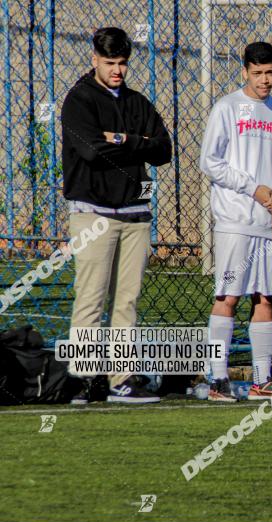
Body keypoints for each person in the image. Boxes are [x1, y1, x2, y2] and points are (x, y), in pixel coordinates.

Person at [61, 27, 171, 404]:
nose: (117, 70)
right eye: (110, 62)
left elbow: (163, 150)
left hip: (136, 212)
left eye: (123, 62)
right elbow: (92, 152)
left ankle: (121, 380)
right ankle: (84, 380)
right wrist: (136, 145)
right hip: (92, 214)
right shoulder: (78, 100)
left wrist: (121, 139)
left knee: (127, 300)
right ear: (94, 59)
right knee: (91, 297)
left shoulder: (138, 102)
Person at [199, 42, 272, 402]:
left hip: (271, 223)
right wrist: (253, 188)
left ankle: (261, 379)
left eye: (270, 72)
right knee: (227, 296)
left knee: (266, 297)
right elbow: (210, 162)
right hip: (236, 219)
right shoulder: (227, 107)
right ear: (245, 71)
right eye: (257, 73)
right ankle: (217, 380)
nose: (265, 80)